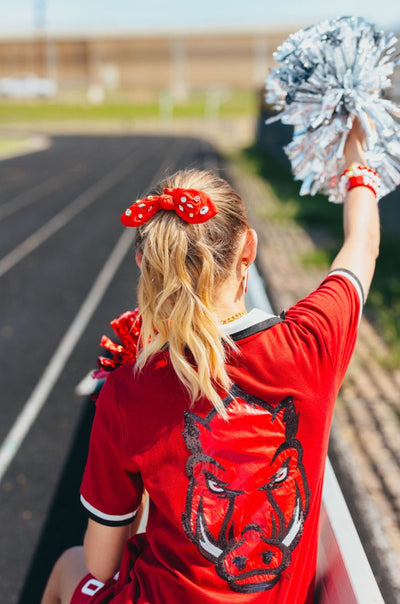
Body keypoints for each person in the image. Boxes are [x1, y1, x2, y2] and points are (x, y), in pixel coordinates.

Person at [41, 118, 380, 604]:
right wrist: (356, 160)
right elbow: (361, 247)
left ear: (145, 265)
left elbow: (100, 564)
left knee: (67, 566)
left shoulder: (127, 389)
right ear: (250, 250)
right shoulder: (310, 344)